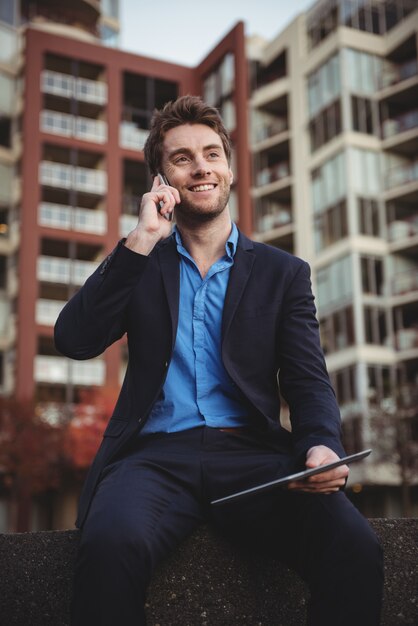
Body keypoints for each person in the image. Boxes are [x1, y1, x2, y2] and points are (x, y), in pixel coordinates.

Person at [54, 95, 383, 626]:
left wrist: (322, 445)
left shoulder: (284, 273)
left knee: (355, 547)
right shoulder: (140, 262)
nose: (201, 166)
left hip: (253, 456)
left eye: (211, 153)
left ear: (228, 168)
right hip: (154, 460)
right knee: (109, 546)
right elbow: (73, 339)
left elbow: (307, 379)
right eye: (182, 158)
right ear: (162, 180)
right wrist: (139, 240)